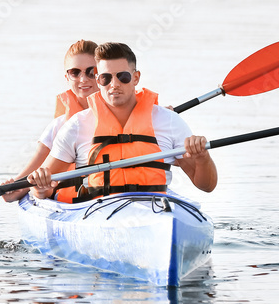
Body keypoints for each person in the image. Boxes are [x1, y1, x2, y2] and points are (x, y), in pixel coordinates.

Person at [27, 42, 217, 201]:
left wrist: (202, 158)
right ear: (98, 80)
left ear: (136, 78)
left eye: (123, 77)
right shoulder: (76, 126)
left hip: (155, 211)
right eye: (106, 78)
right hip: (97, 214)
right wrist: (41, 186)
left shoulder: (169, 122)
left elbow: (207, 186)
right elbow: (42, 189)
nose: (114, 84)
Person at [2, 39, 99, 202]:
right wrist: (11, 190)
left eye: (91, 71)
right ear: (67, 77)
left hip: (111, 201)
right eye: (75, 72)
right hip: (72, 205)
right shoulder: (59, 127)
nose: (83, 79)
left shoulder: (121, 117)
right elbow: (27, 178)